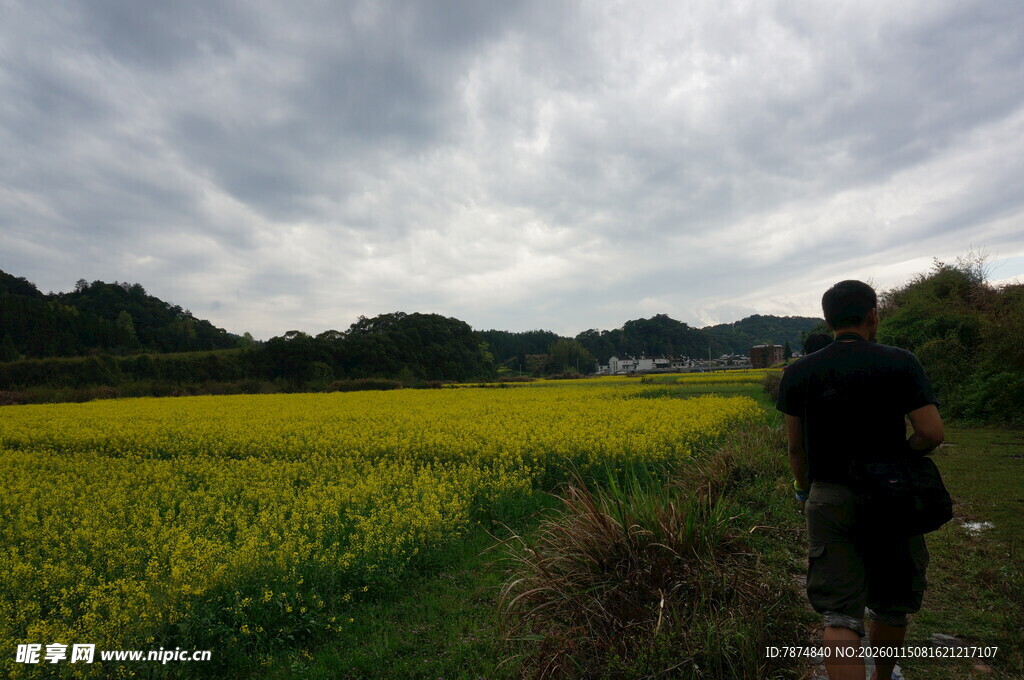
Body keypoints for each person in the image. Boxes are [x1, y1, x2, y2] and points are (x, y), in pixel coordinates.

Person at [775, 280, 944, 680]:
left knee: (839, 613)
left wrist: (804, 489)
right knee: (890, 603)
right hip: (893, 496)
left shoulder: (798, 371)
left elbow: (796, 449)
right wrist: (907, 452)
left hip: (829, 496)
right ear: (873, 315)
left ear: (827, 319)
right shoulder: (901, 361)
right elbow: (931, 433)